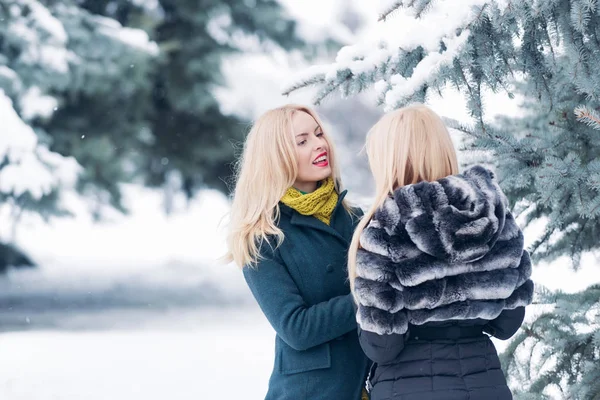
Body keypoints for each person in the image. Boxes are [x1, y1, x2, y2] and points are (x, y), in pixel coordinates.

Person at [348, 104, 534, 400]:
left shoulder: (387, 226)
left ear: (389, 161)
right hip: (486, 387)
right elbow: (508, 323)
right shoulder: (493, 215)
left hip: (409, 387)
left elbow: (383, 346)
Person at [225, 104, 370, 400]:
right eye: (302, 141)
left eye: (319, 134)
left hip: (374, 384)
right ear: (276, 158)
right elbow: (296, 328)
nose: (319, 144)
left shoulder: (357, 218)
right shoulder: (263, 235)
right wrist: (372, 297)